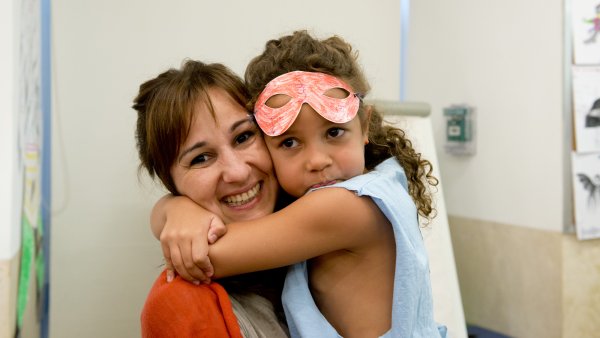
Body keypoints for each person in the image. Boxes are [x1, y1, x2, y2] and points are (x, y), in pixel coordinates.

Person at [156, 30, 446, 337]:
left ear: (364, 126)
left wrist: (174, 208)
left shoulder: (344, 207)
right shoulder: (379, 181)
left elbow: (205, 257)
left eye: (333, 133)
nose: (316, 160)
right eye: (290, 142)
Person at [133, 61, 290, 337]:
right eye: (201, 158)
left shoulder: (330, 228)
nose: (238, 172)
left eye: (244, 137)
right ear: (171, 184)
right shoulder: (179, 303)